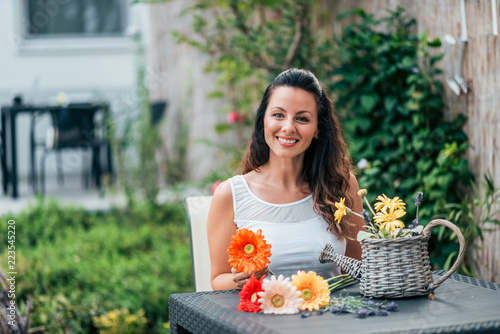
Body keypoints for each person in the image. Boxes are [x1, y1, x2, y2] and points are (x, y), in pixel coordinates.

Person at [207, 68, 364, 290]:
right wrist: (239, 280)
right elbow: (217, 280)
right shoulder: (230, 195)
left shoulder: (343, 186)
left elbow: (359, 269)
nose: (288, 127)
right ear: (263, 120)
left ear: (318, 128)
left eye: (302, 118)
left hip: (334, 318)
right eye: (278, 115)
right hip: (260, 320)